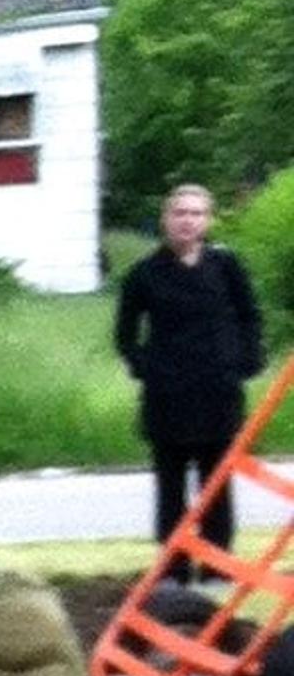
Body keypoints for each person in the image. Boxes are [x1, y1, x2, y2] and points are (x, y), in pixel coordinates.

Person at [114, 183, 266, 554]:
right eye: (180, 213)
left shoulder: (227, 267)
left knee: (216, 482)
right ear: (166, 219)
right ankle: (174, 567)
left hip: (219, 391)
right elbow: (125, 334)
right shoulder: (144, 274)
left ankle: (216, 563)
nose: (188, 221)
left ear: (208, 220)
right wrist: (147, 368)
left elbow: (250, 317)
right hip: (168, 396)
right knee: (170, 484)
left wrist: (245, 361)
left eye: (196, 213)